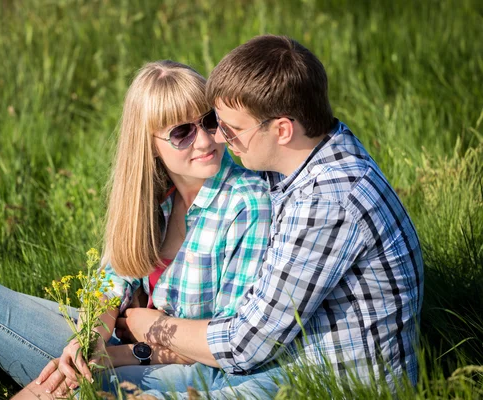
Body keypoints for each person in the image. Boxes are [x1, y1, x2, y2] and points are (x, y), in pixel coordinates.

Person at [0, 60, 271, 398]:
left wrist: (115, 353)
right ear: (150, 144)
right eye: (181, 132)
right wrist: (89, 338)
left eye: (209, 121)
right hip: (123, 346)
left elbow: (228, 342)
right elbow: (109, 282)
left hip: (188, 373)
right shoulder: (156, 198)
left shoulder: (245, 203)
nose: (204, 140)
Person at [110, 35, 425, 398]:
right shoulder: (310, 160)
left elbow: (244, 345)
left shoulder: (326, 203)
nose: (220, 138)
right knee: (69, 381)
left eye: (229, 126)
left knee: (89, 391)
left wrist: (153, 327)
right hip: (281, 366)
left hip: (327, 385)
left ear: (282, 130)